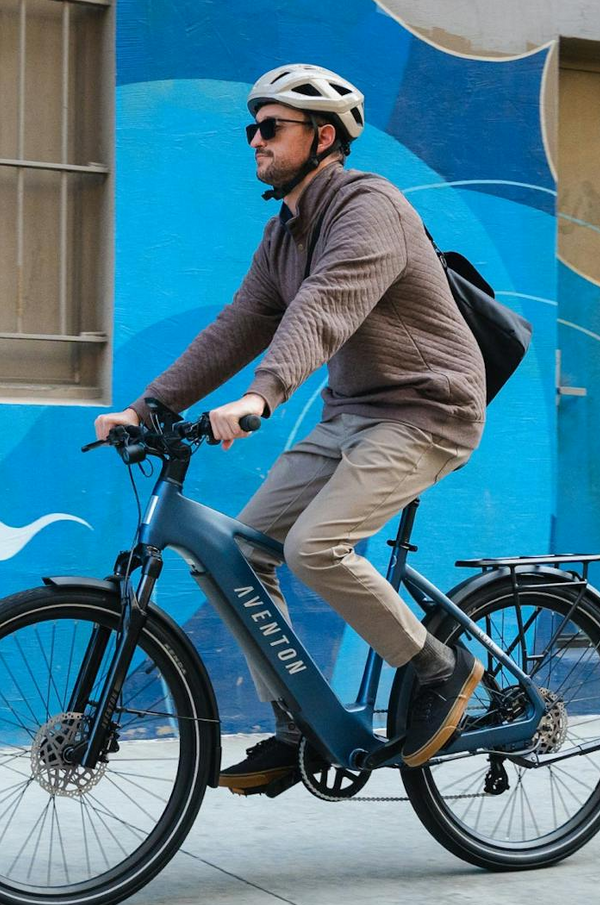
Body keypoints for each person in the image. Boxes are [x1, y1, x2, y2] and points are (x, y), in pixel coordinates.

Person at [93, 63, 489, 794]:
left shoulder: (371, 208)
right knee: (232, 555)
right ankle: (298, 721)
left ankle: (439, 665)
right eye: (251, 127)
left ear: (324, 136)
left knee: (315, 548)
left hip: (430, 412)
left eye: (270, 127)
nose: (255, 140)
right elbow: (238, 326)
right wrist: (148, 407)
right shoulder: (285, 233)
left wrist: (261, 398)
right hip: (356, 415)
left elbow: (326, 310)